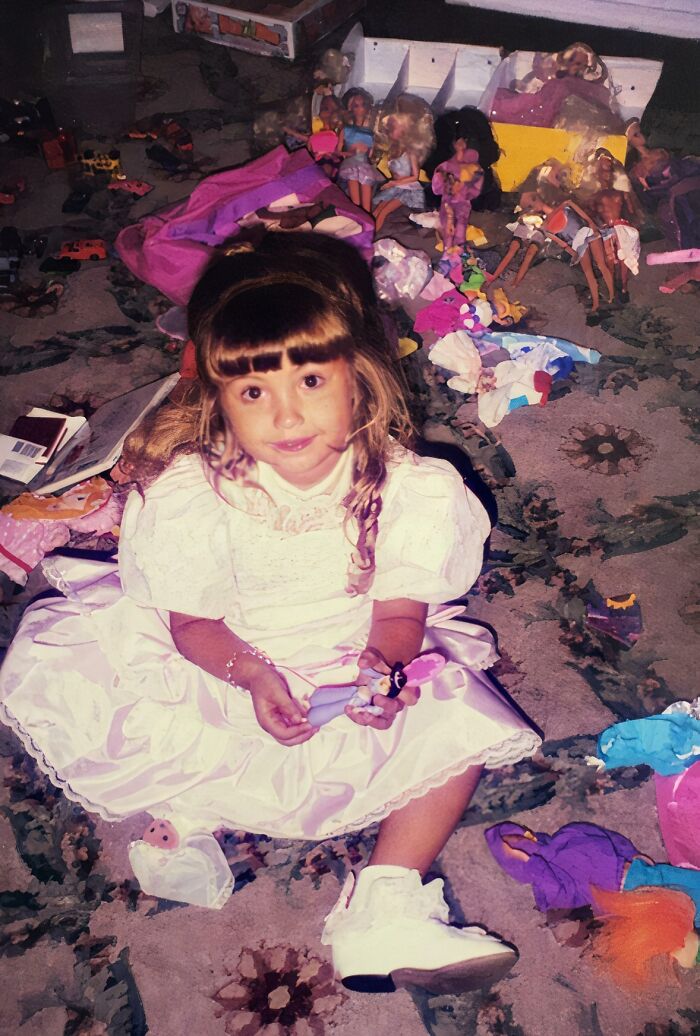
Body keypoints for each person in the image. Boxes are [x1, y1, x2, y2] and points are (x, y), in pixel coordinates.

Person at [0, 232, 541, 996]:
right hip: (226, 661)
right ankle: (192, 802)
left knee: (458, 720)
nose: (286, 415)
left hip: (346, 658)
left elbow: (400, 610)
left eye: (311, 381)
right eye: (254, 393)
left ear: (360, 377)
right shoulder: (194, 496)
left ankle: (384, 900)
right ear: (219, 399)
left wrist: (384, 669)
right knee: (168, 723)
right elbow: (192, 626)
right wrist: (251, 674)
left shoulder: (409, 488)